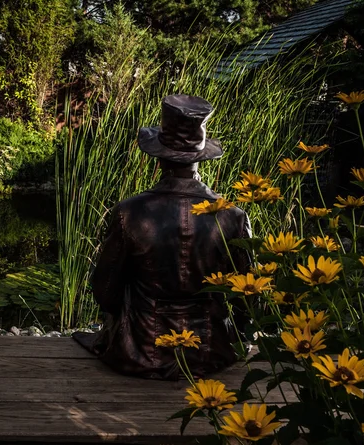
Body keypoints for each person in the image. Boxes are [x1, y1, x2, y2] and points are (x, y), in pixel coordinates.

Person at [74, 94, 251, 380]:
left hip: (139, 352)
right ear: (200, 159)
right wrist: (238, 333)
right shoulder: (233, 215)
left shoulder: (129, 212)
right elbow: (248, 296)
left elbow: (105, 291)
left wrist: (122, 320)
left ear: (158, 158)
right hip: (212, 353)